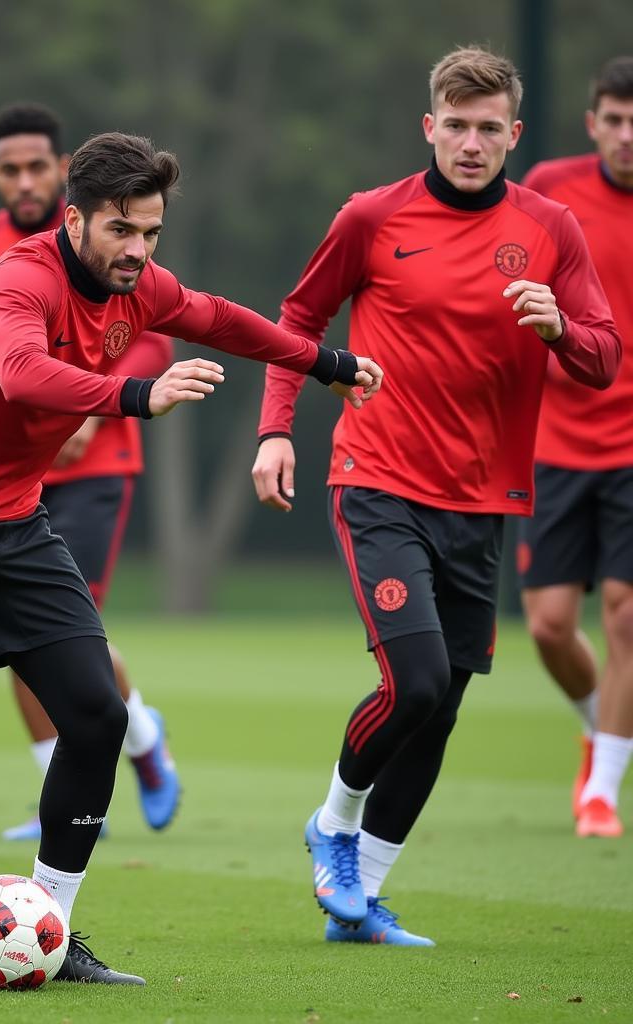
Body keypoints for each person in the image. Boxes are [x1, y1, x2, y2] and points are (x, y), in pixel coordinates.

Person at [0, 130, 382, 992]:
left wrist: (326, 363)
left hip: (12, 517)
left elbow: (221, 318)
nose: (137, 250)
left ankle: (49, 932)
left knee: (98, 715)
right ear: (77, 220)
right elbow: (21, 376)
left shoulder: (141, 287)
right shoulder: (20, 278)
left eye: (151, 233)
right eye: (121, 231)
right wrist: (139, 395)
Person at [251, 46, 620, 946]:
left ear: (514, 136)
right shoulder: (372, 217)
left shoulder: (550, 228)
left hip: (483, 499)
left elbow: (605, 357)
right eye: (455, 125)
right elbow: (297, 322)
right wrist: (273, 430)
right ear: (429, 126)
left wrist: (561, 327)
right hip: (377, 479)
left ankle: (362, 899)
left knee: (444, 702)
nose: (470, 142)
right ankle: (334, 824)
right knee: (413, 682)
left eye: (489, 128)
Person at [0, 103, 180, 843]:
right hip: (3, 478)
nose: (24, 180)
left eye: (36, 165)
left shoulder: (118, 237)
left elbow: (154, 344)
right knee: (19, 639)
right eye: (9, 169)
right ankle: (133, 741)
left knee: (63, 635)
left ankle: (125, 746)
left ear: (61, 173)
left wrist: (96, 412)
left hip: (95, 466)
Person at [518, 56, 633, 839]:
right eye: (616, 120)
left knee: (626, 616)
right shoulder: (552, 190)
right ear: (593, 123)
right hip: (555, 437)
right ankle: (602, 729)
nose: (629, 135)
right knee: (552, 626)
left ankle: (603, 790)